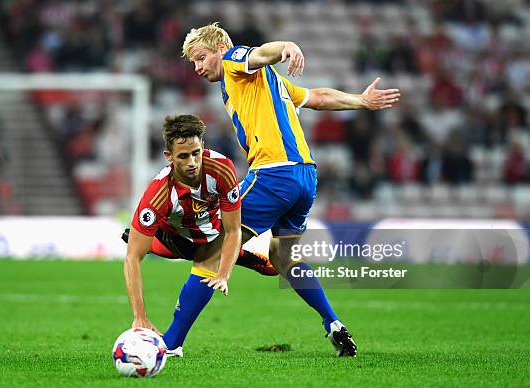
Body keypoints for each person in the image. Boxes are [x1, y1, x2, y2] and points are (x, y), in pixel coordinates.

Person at [182, 22, 402, 357]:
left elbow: (258, 53)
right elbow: (317, 97)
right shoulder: (270, 83)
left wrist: (285, 46)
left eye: (200, 58)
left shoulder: (234, 62)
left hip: (274, 173)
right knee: (283, 257)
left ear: (217, 48)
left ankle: (170, 344)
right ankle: (333, 323)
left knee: (211, 246)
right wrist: (361, 101)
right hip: (305, 177)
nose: (197, 68)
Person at [123, 114, 273, 357]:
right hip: (172, 241)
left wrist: (223, 274)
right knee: (140, 243)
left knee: (214, 258)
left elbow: (234, 229)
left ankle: (235, 256)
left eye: (196, 153)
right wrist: (140, 317)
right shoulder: (158, 195)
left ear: (203, 147)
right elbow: (132, 258)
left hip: (213, 234)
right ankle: (241, 257)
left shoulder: (222, 168)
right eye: (183, 156)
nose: (192, 162)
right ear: (169, 157)